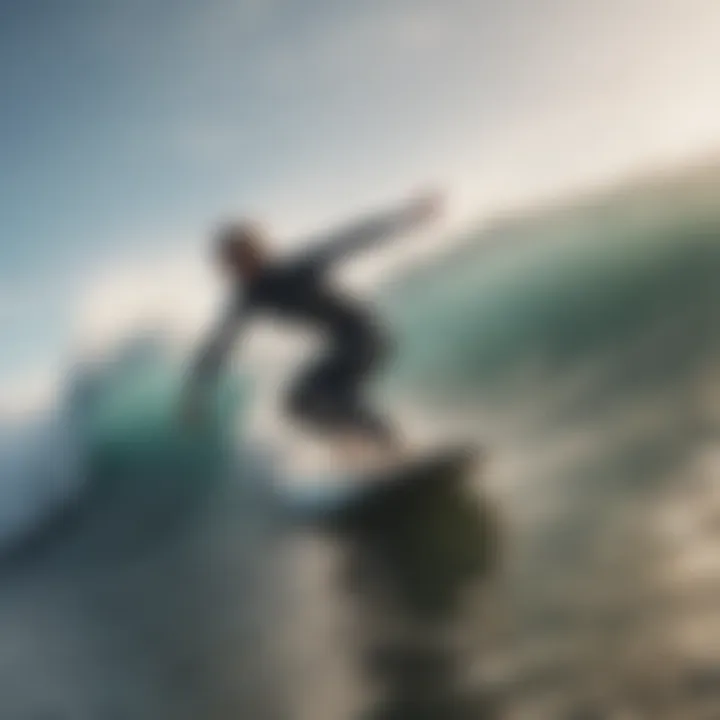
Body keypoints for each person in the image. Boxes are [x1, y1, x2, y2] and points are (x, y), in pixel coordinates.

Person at [182, 190, 444, 467]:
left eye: (240, 257)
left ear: (258, 250)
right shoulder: (248, 297)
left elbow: (349, 240)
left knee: (330, 392)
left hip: (365, 335)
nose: (235, 267)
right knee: (296, 404)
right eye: (230, 263)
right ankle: (354, 449)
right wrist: (197, 391)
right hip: (342, 344)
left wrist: (405, 217)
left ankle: (395, 447)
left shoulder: (295, 268)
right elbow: (220, 344)